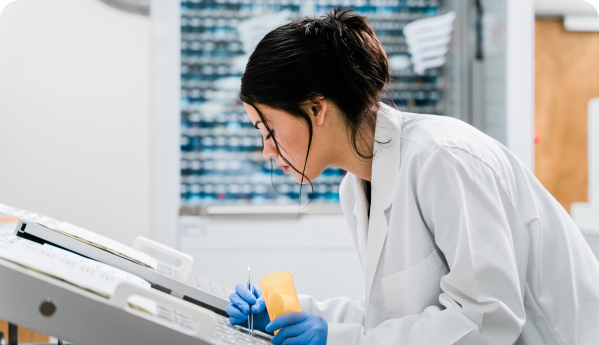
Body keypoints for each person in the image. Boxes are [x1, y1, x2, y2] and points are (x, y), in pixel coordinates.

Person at [226, 7, 599, 345]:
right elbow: (394, 319)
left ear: (316, 108)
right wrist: (288, 316)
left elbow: (486, 321)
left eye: (268, 129)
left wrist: (336, 340)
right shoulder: (355, 188)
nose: (267, 150)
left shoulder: (442, 158)